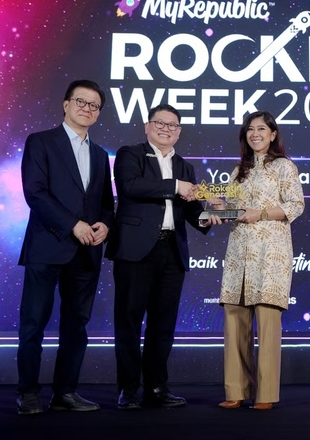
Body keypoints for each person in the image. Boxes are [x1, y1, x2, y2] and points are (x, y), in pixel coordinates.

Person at [105, 103, 215, 410]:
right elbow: (131, 186)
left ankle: (156, 388)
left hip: (171, 252)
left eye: (172, 125)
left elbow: (192, 211)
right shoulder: (131, 154)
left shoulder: (185, 167)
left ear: (179, 132)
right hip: (135, 250)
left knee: (163, 325)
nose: (166, 129)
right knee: (128, 322)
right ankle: (128, 389)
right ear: (147, 126)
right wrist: (176, 187)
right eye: (160, 123)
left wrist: (210, 217)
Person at [16, 80, 114, 415]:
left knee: (76, 327)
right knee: (33, 325)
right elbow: (35, 192)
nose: (87, 109)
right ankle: (28, 393)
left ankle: (65, 393)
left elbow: (105, 203)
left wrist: (105, 225)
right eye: (81, 102)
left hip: (86, 252)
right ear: (66, 104)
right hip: (47, 247)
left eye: (94, 105)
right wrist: (73, 224)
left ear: (98, 113)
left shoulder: (100, 155)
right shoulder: (41, 141)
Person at [217, 110, 305, 411]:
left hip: (270, 254)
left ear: (273, 134)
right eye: (250, 129)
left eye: (261, 129)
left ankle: (265, 394)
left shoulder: (284, 166)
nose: (255, 134)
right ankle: (235, 390)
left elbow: (296, 205)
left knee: (267, 324)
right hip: (238, 254)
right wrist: (216, 207)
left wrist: (262, 213)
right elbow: (231, 207)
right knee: (234, 320)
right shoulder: (238, 170)